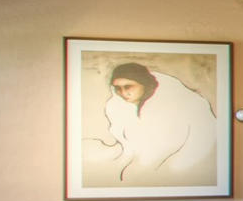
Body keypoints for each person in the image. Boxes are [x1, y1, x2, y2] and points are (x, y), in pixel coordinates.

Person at [93, 59, 221, 187]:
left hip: (194, 153)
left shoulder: (173, 102)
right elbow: (129, 141)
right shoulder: (118, 103)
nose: (123, 93)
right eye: (118, 88)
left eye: (128, 86)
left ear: (144, 84)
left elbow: (166, 146)